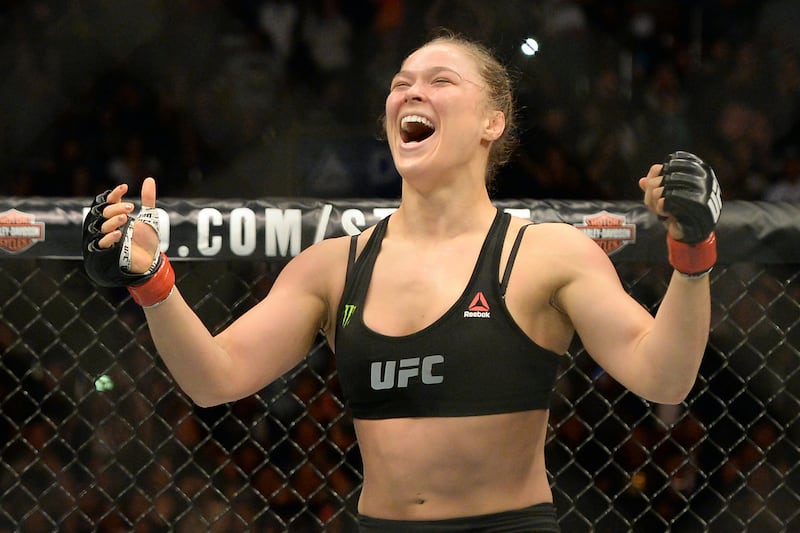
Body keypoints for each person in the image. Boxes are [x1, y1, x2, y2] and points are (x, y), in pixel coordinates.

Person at [82, 31, 721, 533]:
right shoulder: (332, 267)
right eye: (400, 84)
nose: (412, 93)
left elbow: (664, 377)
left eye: (440, 81)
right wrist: (153, 281)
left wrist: (692, 252)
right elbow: (214, 378)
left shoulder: (545, 255)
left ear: (492, 122)